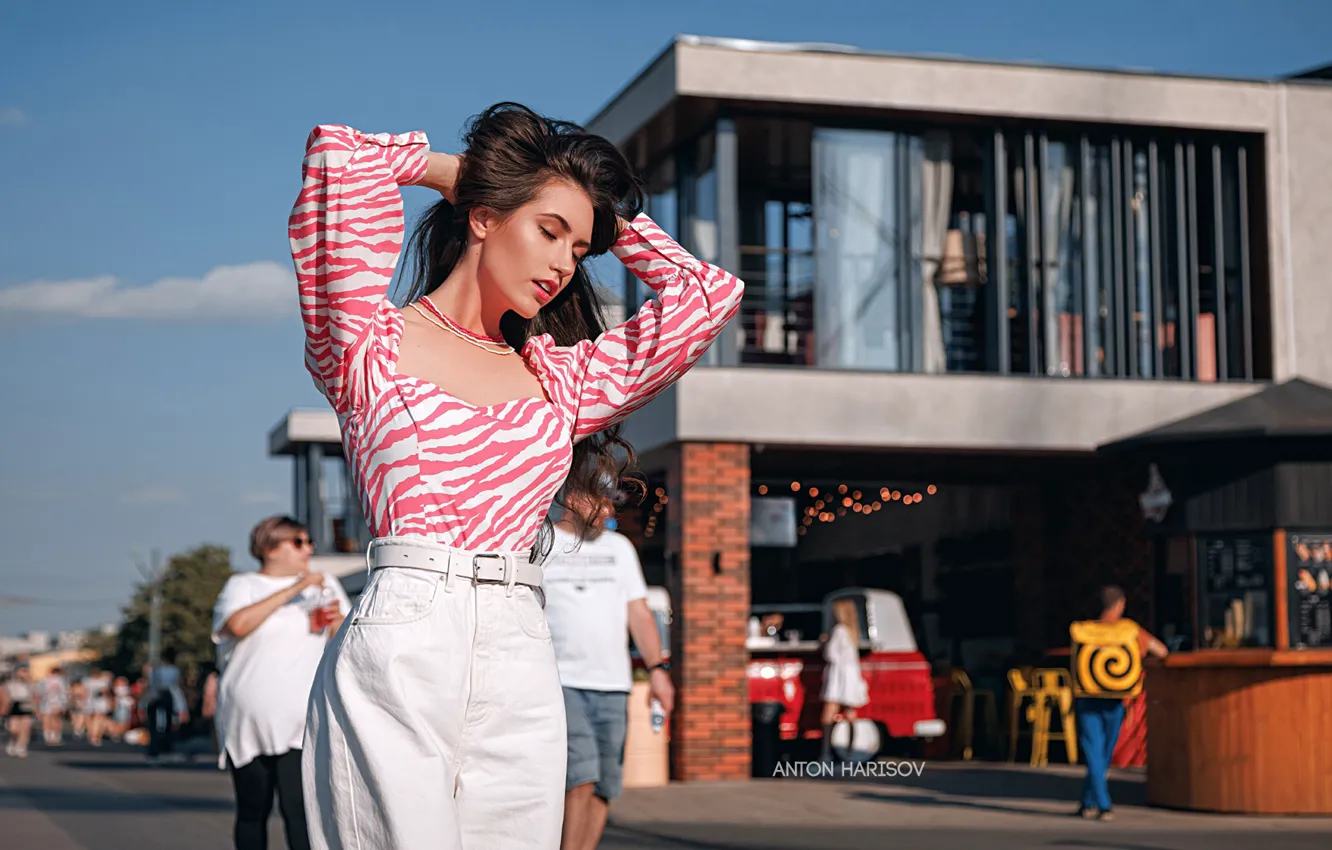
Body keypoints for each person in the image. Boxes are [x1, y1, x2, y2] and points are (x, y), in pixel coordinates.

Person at [290, 102, 742, 850]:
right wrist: (466, 177)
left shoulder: (561, 380)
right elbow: (342, 158)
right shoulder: (368, 344)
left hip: (523, 645)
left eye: (581, 248)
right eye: (548, 231)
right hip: (406, 634)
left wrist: (602, 218)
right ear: (484, 218)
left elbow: (707, 296)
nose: (566, 263)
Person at [541, 497, 674, 850]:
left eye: (611, 501)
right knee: (579, 779)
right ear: (572, 498)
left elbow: (640, 614)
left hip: (614, 685)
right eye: (599, 499)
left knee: (604, 787)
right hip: (561, 681)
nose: (609, 510)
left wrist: (658, 670)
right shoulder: (542, 542)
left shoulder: (620, 548)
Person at [213, 516, 349, 850]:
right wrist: (295, 588)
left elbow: (346, 640)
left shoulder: (326, 583)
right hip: (249, 719)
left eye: (308, 541)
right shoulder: (242, 584)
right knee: (252, 811)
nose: (309, 549)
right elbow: (238, 625)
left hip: (302, 717)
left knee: (300, 811)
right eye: (299, 542)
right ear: (270, 547)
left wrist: (336, 621)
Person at [1074, 585, 1168, 821]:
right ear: (1119, 605)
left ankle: (1088, 802)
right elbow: (1162, 651)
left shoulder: (1082, 630)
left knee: (1094, 752)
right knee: (1103, 754)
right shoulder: (1130, 630)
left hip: (1087, 697)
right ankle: (1104, 804)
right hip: (1115, 700)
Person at [820, 598, 869, 761]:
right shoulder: (852, 631)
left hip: (838, 675)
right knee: (851, 714)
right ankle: (851, 751)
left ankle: (825, 752)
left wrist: (824, 643)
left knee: (828, 714)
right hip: (851, 675)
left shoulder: (839, 630)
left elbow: (831, 655)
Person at [143, 648, 189, 762]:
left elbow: (151, 685)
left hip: (155, 695)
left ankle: (154, 747)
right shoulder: (174, 670)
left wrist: (144, 702)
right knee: (168, 722)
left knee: (153, 723)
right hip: (169, 695)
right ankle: (166, 746)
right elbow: (176, 686)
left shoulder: (155, 670)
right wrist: (181, 706)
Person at [4, 666, 36, 758]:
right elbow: (6, 695)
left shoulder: (31, 684)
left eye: (25, 671)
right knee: (14, 729)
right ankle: (13, 741)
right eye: (21, 671)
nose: (23, 674)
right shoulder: (10, 683)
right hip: (14, 705)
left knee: (25, 728)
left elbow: (35, 695)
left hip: (27, 705)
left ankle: (21, 746)